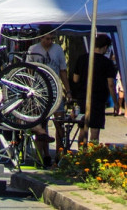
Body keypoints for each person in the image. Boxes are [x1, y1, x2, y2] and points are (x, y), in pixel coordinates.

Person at [26, 25, 71, 166]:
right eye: (47, 38)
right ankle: (43, 155)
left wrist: (67, 90)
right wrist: (30, 89)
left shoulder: (57, 50)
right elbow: (28, 71)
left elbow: (63, 71)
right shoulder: (33, 50)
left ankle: (59, 153)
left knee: (59, 123)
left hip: (55, 89)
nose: (50, 41)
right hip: (40, 91)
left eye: (52, 38)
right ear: (41, 37)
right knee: (41, 124)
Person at [72, 34, 118, 144]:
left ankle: (80, 155)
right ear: (106, 47)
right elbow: (111, 84)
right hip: (98, 99)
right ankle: (92, 155)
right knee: (95, 129)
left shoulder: (82, 58)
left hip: (82, 97)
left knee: (83, 128)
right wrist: (115, 102)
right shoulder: (107, 63)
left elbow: (75, 79)